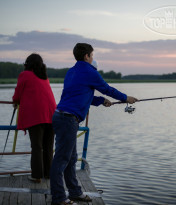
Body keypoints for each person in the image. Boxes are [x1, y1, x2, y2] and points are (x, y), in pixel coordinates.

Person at [50, 43, 138, 205]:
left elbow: (77, 94)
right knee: (61, 159)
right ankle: (59, 199)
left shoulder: (71, 71)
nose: (93, 58)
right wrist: (125, 98)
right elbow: (107, 88)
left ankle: (75, 192)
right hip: (68, 119)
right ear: (86, 56)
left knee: (71, 158)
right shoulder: (89, 71)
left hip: (61, 116)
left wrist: (100, 101)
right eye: (92, 55)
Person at [13, 53, 56, 183]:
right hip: (52, 114)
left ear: (27, 64)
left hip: (36, 115)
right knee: (48, 146)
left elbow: (18, 93)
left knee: (37, 146)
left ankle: (37, 176)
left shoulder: (25, 75)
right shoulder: (44, 76)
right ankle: (49, 174)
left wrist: (15, 101)